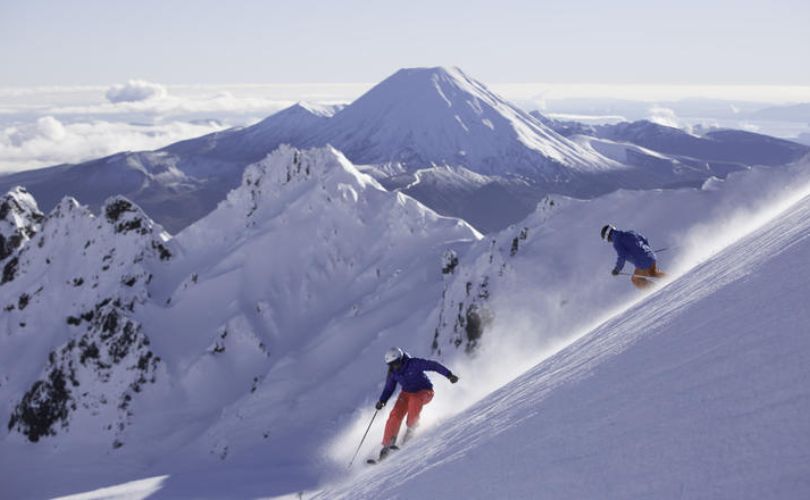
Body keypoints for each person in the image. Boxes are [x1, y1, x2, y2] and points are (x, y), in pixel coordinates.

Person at [374, 347, 458, 461]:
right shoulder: (393, 372)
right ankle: (386, 447)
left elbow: (433, 365)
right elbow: (389, 388)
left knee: (415, 398)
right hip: (406, 393)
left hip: (425, 391)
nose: (395, 366)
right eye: (391, 364)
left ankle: (410, 430)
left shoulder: (414, 363)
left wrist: (449, 375)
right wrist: (382, 401)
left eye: (396, 363)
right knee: (395, 414)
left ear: (401, 358)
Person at [601, 224, 666, 289]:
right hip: (651, 255)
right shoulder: (630, 232)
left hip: (642, 263)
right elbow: (644, 239)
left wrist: (617, 269)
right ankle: (669, 279)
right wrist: (647, 250)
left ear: (608, 236)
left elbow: (622, 256)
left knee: (636, 280)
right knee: (653, 272)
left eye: (607, 240)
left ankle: (656, 289)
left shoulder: (617, 243)